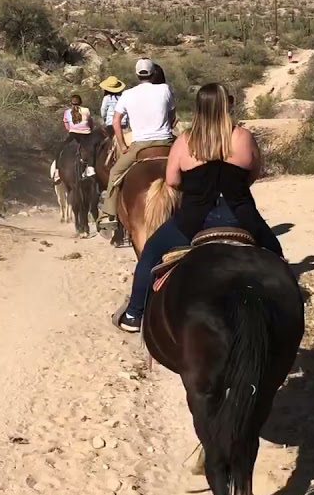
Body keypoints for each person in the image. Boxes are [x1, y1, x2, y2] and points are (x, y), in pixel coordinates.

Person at [114, 82, 283, 332]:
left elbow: (172, 180)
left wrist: (194, 185)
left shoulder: (186, 140)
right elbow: (254, 172)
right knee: (276, 254)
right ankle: (284, 313)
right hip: (241, 216)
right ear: (227, 105)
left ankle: (134, 314)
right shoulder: (243, 136)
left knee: (150, 253)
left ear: (198, 108)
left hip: (194, 220)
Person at [97, 58, 176, 227]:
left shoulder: (127, 94)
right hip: (167, 143)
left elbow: (116, 121)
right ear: (153, 73)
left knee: (115, 173)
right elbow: (172, 116)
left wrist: (122, 145)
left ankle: (109, 214)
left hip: (140, 146)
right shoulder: (165, 89)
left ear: (137, 74)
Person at [60, 94, 98, 176]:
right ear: (81, 102)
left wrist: (73, 129)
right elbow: (90, 124)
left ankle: (56, 170)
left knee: (60, 148)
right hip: (86, 134)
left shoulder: (66, 112)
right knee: (95, 149)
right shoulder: (86, 110)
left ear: (71, 103)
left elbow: (67, 127)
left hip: (73, 134)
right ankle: (90, 167)